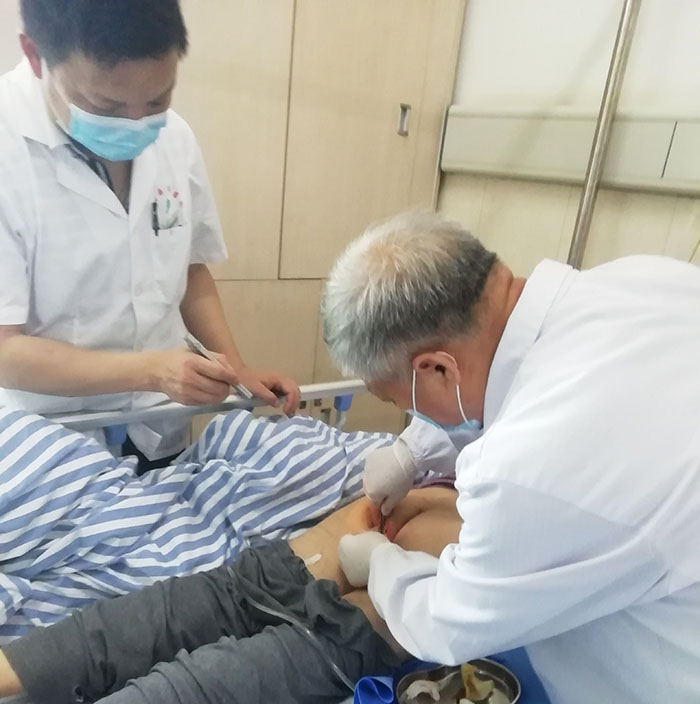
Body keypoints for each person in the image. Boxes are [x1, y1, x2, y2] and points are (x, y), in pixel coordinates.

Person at [321, 212, 700, 704]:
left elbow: (449, 622)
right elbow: (511, 387)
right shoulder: (646, 277)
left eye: (399, 401)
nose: (411, 415)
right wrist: (413, 450)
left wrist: (380, 564)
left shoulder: (520, 470)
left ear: (436, 369)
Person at [0, 0, 300, 472]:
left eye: (158, 100)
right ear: (36, 55)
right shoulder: (8, 147)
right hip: (51, 446)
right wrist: (151, 371)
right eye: (107, 106)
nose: (137, 123)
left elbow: (191, 270)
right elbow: (5, 348)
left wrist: (236, 369)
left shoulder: (174, 138)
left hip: (161, 428)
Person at [0, 487, 461, 704]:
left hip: (361, 625)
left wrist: (386, 556)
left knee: (215, 674)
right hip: (283, 574)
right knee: (212, 601)